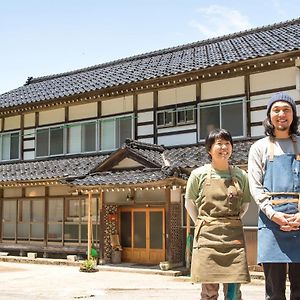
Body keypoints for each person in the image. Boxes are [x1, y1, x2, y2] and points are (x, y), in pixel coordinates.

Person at [185, 128, 251, 300]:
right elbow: (189, 203)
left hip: (233, 237)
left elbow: (245, 205)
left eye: (227, 143)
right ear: (209, 149)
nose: (224, 147)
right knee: (209, 291)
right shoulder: (198, 174)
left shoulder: (241, 175)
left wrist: (232, 221)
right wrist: (201, 222)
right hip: (207, 237)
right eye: (219, 144)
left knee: (234, 292)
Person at [248, 91, 300, 300]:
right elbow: (255, 186)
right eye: (276, 110)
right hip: (271, 223)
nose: (281, 114)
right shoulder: (258, 148)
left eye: (286, 110)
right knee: (274, 291)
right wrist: (272, 214)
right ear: (269, 116)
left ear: (293, 115)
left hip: (299, 220)